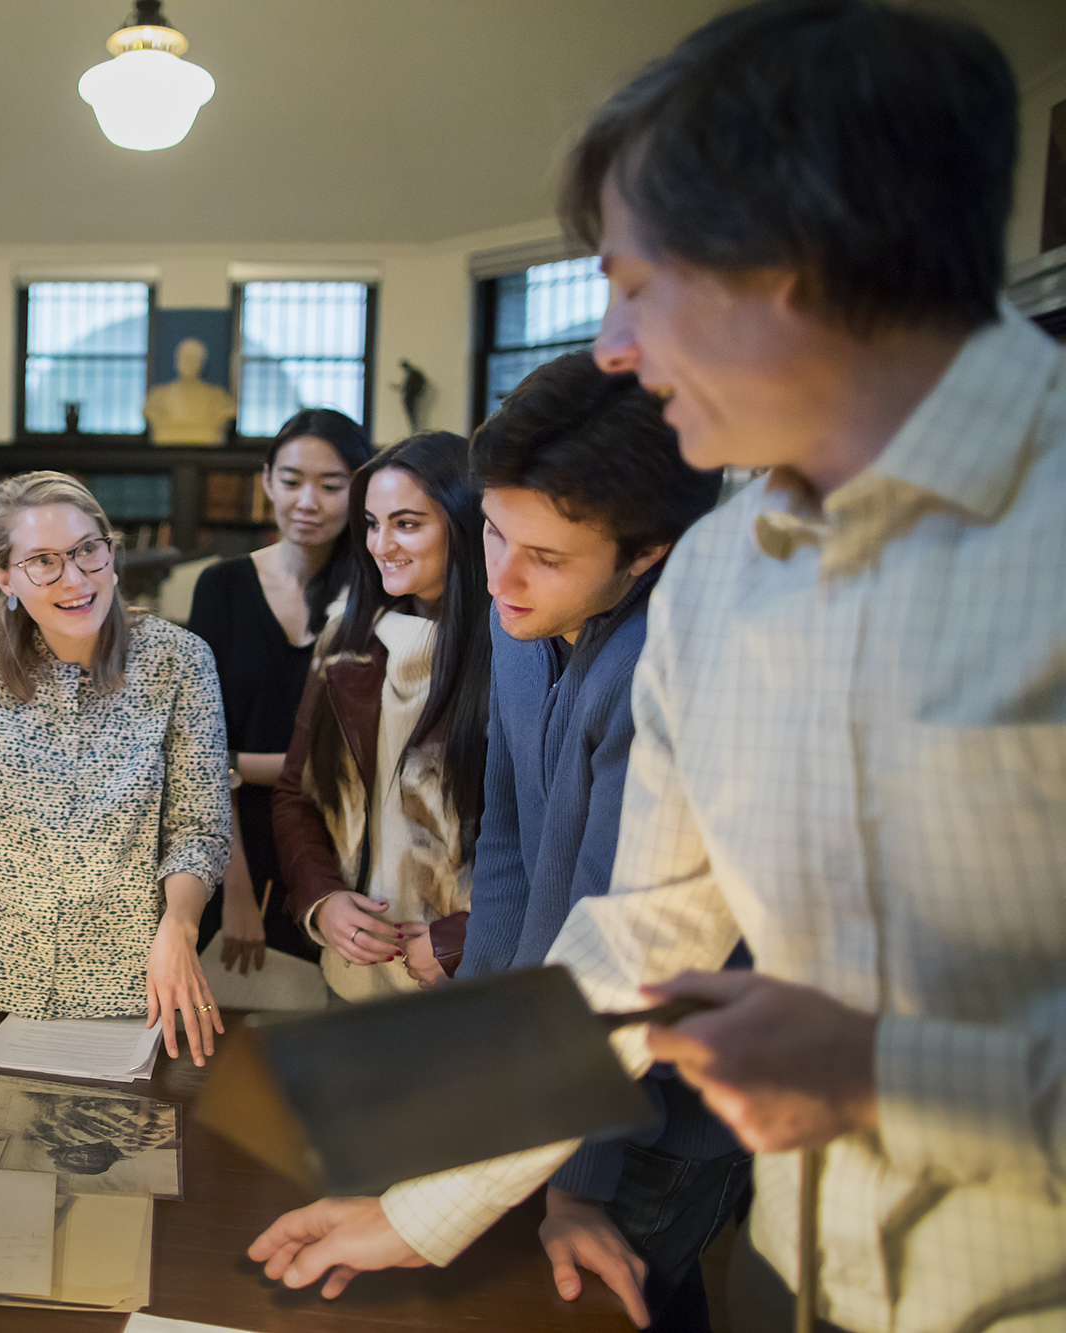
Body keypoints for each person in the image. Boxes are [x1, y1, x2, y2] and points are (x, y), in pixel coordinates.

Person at [249, 8, 1065, 1333]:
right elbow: (641, 936)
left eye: (637, 282)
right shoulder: (729, 571)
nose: (616, 346)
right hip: (826, 1287)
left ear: (789, 260)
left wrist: (886, 1072)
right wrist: (419, 1206)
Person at [466, 351, 737, 1331]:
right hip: (537, 1056)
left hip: (651, 1102)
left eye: (542, 557)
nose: (499, 577)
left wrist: (572, 1180)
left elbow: (614, 930)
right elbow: (503, 836)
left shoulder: (662, 665)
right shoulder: (515, 607)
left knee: (608, 1302)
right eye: (491, 531)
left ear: (645, 553)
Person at [0, 472, 233, 1066]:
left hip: (126, 982)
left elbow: (199, 829)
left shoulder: (180, 659)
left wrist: (180, 927)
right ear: (4, 577)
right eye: (43, 561)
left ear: (111, 552)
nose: (74, 579)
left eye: (86, 551)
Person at [272, 432, 491, 1002]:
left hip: (471, 980)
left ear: (465, 524)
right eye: (371, 522)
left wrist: (459, 938)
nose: (382, 544)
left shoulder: (513, 653)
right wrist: (323, 900)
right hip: (354, 973)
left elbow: (541, 835)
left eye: (408, 523)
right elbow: (297, 796)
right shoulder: (346, 642)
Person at [187, 409, 373, 974]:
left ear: (360, 488)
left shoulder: (380, 594)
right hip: (227, 842)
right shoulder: (221, 587)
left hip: (344, 851)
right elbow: (197, 752)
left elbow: (362, 757)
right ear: (266, 481)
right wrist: (236, 889)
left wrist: (237, 762)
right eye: (291, 481)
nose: (308, 502)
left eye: (332, 485)